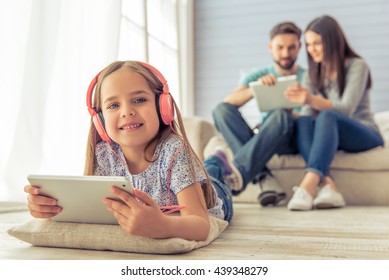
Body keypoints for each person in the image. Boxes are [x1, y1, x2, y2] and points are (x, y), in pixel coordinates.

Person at [24, 60, 234, 241]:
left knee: (214, 176)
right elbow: (96, 211)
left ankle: (218, 160)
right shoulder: (104, 154)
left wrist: (162, 225)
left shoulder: (174, 149)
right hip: (189, 179)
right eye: (113, 105)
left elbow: (201, 225)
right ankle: (216, 160)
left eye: (139, 100)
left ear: (163, 107)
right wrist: (51, 208)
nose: (127, 112)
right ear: (100, 119)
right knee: (207, 169)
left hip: (217, 197)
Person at [284, 15, 384, 211]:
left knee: (327, 115)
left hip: (364, 132)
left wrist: (311, 99)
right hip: (330, 133)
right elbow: (305, 112)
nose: (312, 50)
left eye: (317, 43)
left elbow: (346, 108)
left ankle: (308, 185)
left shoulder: (357, 66)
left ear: (332, 41)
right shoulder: (311, 74)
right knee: (303, 121)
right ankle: (328, 185)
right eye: (309, 45)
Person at [212, 21, 305, 206]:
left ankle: (237, 171)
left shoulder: (309, 77)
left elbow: (320, 116)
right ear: (270, 47)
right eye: (280, 48)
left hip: (293, 137)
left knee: (280, 115)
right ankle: (264, 178)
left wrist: (293, 114)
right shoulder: (259, 75)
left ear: (299, 47)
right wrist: (255, 89)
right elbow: (228, 103)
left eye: (291, 48)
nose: (286, 54)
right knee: (220, 111)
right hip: (266, 135)